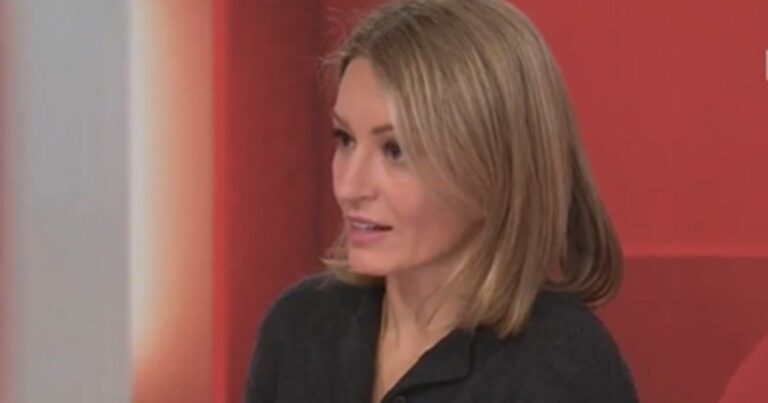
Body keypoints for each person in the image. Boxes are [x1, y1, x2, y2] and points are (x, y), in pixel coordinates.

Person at [245, 0, 637, 402]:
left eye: (396, 150)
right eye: (345, 140)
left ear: (495, 169)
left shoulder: (564, 369)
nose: (349, 186)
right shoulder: (299, 326)